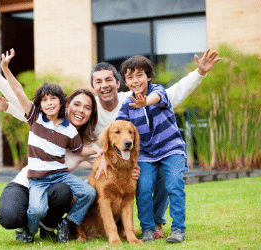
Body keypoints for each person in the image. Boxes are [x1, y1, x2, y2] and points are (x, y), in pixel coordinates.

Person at [0, 37, 221, 242]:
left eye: (86, 108)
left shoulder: (124, 106)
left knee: (73, 190)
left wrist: (199, 72)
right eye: (78, 104)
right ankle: (29, 225)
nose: (81, 110)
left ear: (118, 83)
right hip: (29, 181)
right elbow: (21, 102)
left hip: (56, 184)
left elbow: (171, 94)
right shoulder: (55, 120)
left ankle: (153, 223)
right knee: (11, 216)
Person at [92, 49, 221, 239]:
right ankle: (148, 229)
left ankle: (178, 229)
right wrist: (104, 154)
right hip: (146, 155)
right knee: (143, 188)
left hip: (171, 149)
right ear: (125, 83)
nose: (136, 80)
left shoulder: (157, 91)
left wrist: (145, 103)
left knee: (174, 185)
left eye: (140, 75)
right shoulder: (126, 106)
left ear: (149, 77)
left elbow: (159, 98)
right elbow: (116, 129)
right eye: (130, 77)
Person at [0, 47, 103, 243]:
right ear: (39, 105)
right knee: (38, 209)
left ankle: (67, 222)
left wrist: (98, 151)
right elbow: (18, 91)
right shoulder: (35, 119)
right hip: (37, 179)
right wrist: (5, 68)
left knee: (89, 193)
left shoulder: (69, 129)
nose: (48, 103)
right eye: (44, 100)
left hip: (60, 176)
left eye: (53, 98)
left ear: (62, 103)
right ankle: (29, 230)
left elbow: (79, 150)